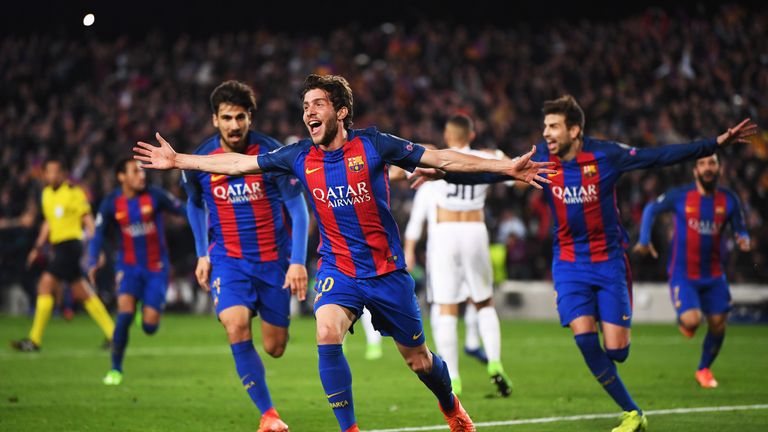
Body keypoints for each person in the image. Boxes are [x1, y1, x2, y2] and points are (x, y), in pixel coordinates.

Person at [134, 73, 554, 432]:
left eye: (318, 104)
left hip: (387, 272)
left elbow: (442, 158)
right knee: (325, 331)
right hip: (337, 268)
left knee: (419, 361)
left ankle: (451, 407)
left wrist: (505, 168)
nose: (308, 112)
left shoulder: (374, 145)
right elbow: (236, 165)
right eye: (305, 105)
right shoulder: (298, 154)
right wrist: (179, 161)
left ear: (341, 112)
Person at [413, 95, 756, 432]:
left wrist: (716, 142)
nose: (546, 133)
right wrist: (443, 176)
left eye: (554, 127)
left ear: (575, 130)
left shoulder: (607, 155)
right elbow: (492, 176)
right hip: (568, 263)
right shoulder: (543, 159)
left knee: (617, 351)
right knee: (584, 339)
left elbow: (660, 156)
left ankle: (618, 341)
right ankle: (633, 412)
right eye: (545, 126)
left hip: (609, 262)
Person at [180, 80, 310, 432]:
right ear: (214, 120)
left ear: (250, 117)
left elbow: (298, 211)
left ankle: (266, 318)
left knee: (275, 347)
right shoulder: (200, 160)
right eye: (226, 117)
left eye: (240, 117)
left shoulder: (271, 156)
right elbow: (194, 206)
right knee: (235, 325)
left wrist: (297, 261)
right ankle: (269, 415)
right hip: (228, 260)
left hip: (273, 263)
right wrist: (201, 254)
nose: (234, 125)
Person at [403, 114, 512, 397]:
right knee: (484, 302)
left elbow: (402, 167)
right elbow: (517, 177)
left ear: (448, 136)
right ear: (471, 135)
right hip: (475, 229)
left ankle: (453, 377)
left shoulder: (436, 156)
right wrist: (499, 156)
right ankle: (495, 362)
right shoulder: (484, 157)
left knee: (446, 308)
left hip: (445, 233)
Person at [634, 154, 750, 389]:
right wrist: (645, 239)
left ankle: (703, 369)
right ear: (695, 171)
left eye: (712, 163)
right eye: (702, 164)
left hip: (714, 274)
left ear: (719, 168)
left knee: (719, 323)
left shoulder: (729, 200)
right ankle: (686, 319)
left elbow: (740, 227)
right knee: (692, 320)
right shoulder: (680, 196)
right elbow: (650, 209)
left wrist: (743, 238)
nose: (708, 168)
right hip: (683, 274)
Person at [87, 158, 186, 385]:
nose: (142, 175)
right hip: (128, 267)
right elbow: (99, 233)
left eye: (142, 171)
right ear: (122, 176)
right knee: (124, 316)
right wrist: (93, 259)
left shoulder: (155, 195)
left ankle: (146, 313)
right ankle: (115, 369)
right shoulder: (112, 202)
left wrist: (206, 221)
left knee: (150, 327)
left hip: (156, 268)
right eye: (135, 171)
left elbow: (184, 210)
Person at [11, 158, 115, 352]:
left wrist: (97, 247)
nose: (52, 175)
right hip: (58, 246)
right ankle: (113, 334)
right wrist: (37, 247)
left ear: (63, 173)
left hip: (71, 245)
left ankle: (34, 340)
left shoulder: (74, 193)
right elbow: (48, 224)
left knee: (45, 284)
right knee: (82, 292)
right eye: (48, 172)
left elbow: (88, 220)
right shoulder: (46, 195)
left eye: (55, 172)